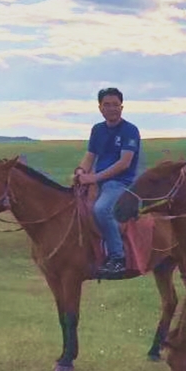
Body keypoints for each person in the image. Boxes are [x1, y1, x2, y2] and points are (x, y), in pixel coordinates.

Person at [74, 87, 141, 277]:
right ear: (100, 108)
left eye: (115, 105)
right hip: (98, 183)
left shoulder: (130, 130)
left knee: (101, 210)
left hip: (120, 183)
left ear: (122, 107)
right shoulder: (98, 129)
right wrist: (80, 172)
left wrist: (93, 177)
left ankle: (117, 258)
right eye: (107, 105)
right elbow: (90, 156)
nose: (112, 108)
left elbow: (124, 163)